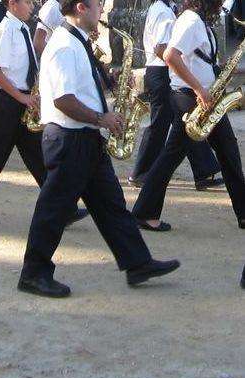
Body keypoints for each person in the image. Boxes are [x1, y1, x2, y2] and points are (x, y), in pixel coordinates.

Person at [17, 0, 180, 298]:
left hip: (85, 138)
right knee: (53, 210)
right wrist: (100, 118)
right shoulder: (66, 45)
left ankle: (138, 263)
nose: (102, 12)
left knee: (111, 205)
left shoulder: (76, 41)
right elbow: (63, 100)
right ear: (81, 7)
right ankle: (33, 273)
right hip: (69, 139)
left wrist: (111, 82)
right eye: (98, 6)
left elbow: (79, 88)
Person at [0, 0, 87, 226]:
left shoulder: (21, 29)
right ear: (12, 3)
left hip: (22, 101)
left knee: (40, 158)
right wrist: (22, 97)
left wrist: (33, 96)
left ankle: (63, 208)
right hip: (9, 102)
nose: (32, 7)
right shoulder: (5, 30)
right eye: (27, 2)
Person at [132, 0, 245, 231]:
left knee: (228, 152)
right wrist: (198, 89)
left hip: (205, 98)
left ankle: (243, 214)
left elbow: (198, 59)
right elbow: (171, 56)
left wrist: (226, 69)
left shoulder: (198, 21)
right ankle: (144, 212)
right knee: (172, 157)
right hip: (192, 99)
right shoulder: (191, 20)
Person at [129, 0, 223, 191]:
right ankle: (141, 173)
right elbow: (161, 49)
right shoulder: (163, 12)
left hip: (165, 71)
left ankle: (203, 170)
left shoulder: (166, 9)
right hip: (162, 71)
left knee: (183, 125)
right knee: (161, 124)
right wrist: (186, 59)